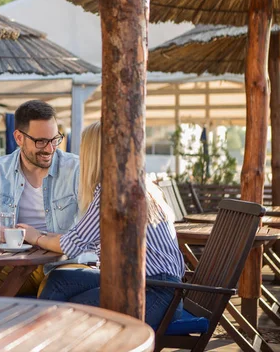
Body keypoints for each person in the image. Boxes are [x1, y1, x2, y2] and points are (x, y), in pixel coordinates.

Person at [19, 121, 186, 328]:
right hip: (152, 287)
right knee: (59, 279)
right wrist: (40, 235)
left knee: (68, 312)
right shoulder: (136, 185)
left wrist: (35, 236)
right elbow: (78, 239)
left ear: (92, 154)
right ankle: (40, 338)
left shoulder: (113, 191)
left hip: (154, 295)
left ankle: (41, 339)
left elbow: (72, 245)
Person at [0, 100, 80, 296]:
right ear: (19, 138)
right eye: (40, 141)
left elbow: (89, 232)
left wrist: (39, 238)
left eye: (55, 139)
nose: (49, 149)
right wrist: (1, 233)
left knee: (53, 289)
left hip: (64, 262)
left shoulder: (76, 169)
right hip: (16, 264)